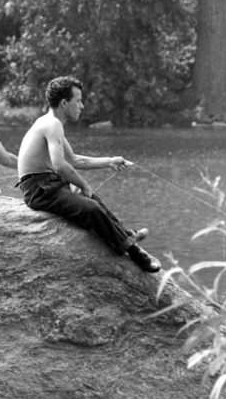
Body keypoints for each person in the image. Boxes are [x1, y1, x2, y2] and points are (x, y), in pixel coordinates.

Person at [15, 76, 161, 273]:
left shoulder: (52, 123)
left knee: (94, 199)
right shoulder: (52, 124)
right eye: (78, 101)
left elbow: (75, 160)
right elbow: (59, 165)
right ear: (64, 103)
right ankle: (133, 250)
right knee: (91, 208)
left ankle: (128, 238)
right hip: (40, 190)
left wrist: (109, 161)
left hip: (49, 186)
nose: (82, 106)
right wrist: (84, 185)